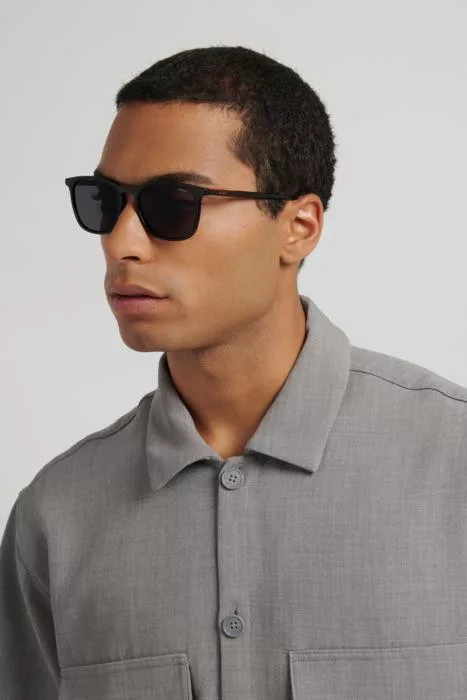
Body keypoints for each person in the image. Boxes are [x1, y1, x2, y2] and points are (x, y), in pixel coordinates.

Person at [1, 45, 466, 700]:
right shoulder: (54, 518)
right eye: (103, 202)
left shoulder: (453, 463)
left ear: (298, 226)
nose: (122, 243)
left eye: (174, 203)